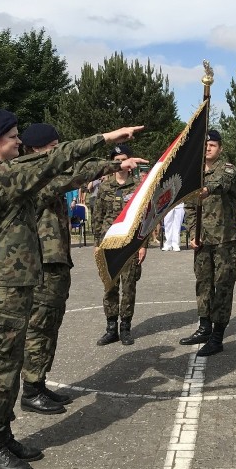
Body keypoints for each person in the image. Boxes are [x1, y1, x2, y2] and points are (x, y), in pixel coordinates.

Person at [0, 107, 142, 469]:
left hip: (13, 285)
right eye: (14, 136)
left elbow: (61, 171)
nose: (19, 141)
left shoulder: (8, 175)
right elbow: (56, 160)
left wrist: (111, 165)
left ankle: (2, 433)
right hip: (1, 288)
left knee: (10, 364)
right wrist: (107, 139)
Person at [19, 122, 127, 414]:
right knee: (39, 326)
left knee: (50, 325)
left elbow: (73, 170)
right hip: (41, 262)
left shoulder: (47, 172)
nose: (58, 152)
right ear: (35, 150)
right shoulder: (31, 177)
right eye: (53, 147)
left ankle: (38, 383)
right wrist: (110, 164)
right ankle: (30, 389)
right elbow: (75, 175)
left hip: (55, 261)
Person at [181, 129, 236, 357]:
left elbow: (222, 182)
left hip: (225, 240)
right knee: (203, 284)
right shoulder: (193, 173)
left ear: (220, 148)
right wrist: (193, 233)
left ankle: (217, 337)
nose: (208, 148)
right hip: (203, 241)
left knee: (223, 286)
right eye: (205, 145)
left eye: (213, 145)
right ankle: (204, 327)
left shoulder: (228, 169)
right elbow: (189, 206)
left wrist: (205, 189)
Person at [93, 144, 148, 347]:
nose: (119, 163)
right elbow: (97, 217)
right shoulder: (105, 186)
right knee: (110, 286)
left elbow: (144, 218)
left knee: (129, 286)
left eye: (123, 159)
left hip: (130, 244)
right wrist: (97, 244)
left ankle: (125, 327)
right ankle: (110, 329)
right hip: (108, 244)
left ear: (130, 161)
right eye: (116, 160)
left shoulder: (137, 187)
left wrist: (143, 245)